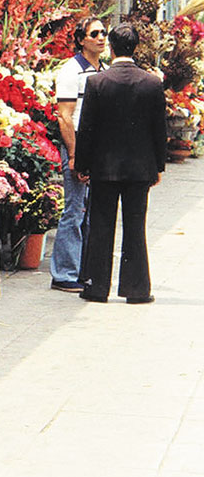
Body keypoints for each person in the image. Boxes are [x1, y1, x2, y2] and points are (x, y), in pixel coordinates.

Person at [75, 23, 167, 304]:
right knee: (136, 226)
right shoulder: (152, 83)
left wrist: (82, 165)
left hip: (104, 168)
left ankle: (96, 287)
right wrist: (159, 166)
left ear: (111, 47)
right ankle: (137, 288)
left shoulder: (97, 82)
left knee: (101, 225)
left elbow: (86, 127)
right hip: (140, 168)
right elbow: (159, 129)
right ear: (135, 47)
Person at [50, 18, 106, 292]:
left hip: (97, 149)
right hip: (78, 147)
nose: (101, 38)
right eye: (94, 33)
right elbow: (64, 117)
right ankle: (63, 274)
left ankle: (82, 270)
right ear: (81, 39)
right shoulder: (71, 70)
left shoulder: (102, 70)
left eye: (104, 33)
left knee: (90, 212)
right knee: (73, 210)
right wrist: (74, 155)